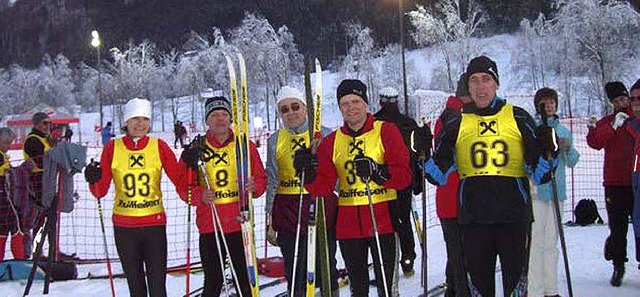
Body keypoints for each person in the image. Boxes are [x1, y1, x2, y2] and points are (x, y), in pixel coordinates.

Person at [424, 56, 557, 296]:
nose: (480, 86)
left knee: (516, 289)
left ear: (496, 84)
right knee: (480, 289)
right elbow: (436, 175)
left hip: (513, 218)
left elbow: (542, 174)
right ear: (468, 86)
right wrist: (422, 153)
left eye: (486, 79)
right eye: (474, 80)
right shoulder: (457, 122)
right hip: (473, 221)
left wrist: (550, 150)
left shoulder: (517, 117)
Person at [294, 79, 412, 296]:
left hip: (383, 220)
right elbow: (323, 187)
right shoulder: (331, 141)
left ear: (366, 103)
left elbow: (405, 176)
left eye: (356, 101)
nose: (351, 107)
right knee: (358, 287)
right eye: (345, 103)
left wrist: (378, 171)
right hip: (348, 225)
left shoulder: (386, 131)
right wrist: (307, 173)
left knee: (387, 287)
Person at [84, 97, 184, 297]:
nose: (140, 124)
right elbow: (100, 191)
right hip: (124, 227)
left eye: (145, 119)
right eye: (135, 119)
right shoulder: (113, 147)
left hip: (154, 224)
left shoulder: (159, 146)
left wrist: (188, 162)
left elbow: (180, 178)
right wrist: (93, 177)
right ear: (126, 123)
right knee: (135, 285)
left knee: (157, 285)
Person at [179, 95, 267, 297]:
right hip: (211, 226)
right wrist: (200, 195)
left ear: (230, 118)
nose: (220, 119)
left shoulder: (245, 146)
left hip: (240, 223)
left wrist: (255, 186)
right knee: (213, 280)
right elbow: (183, 188)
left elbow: (261, 180)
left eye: (224, 114)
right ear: (207, 120)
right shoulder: (196, 148)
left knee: (245, 279)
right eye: (215, 115)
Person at [265, 86, 339, 296]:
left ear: (305, 108)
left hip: (320, 204)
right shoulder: (274, 140)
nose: (291, 113)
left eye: (295, 107)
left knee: (325, 263)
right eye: (284, 109)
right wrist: (269, 217)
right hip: (288, 209)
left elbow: (337, 179)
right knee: (294, 264)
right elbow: (272, 180)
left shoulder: (324, 134)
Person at [372, 85, 431, 276]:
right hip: (397, 180)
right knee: (401, 221)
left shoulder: (375, 122)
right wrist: (417, 181)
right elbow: (417, 154)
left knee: (389, 223)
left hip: (384, 181)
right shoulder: (405, 122)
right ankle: (405, 259)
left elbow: (417, 153)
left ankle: (397, 261)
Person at [528, 87, 580, 297]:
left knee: (552, 243)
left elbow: (572, 160)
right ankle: (535, 290)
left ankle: (551, 289)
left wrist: (567, 149)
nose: (548, 106)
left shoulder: (562, 130)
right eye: (544, 103)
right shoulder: (533, 128)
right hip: (538, 191)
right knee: (536, 243)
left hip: (557, 192)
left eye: (551, 102)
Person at [586, 81, 635, 287]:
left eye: (623, 99)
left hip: (636, 180)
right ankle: (618, 264)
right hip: (614, 183)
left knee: (639, 227)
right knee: (617, 227)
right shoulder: (609, 121)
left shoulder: (636, 119)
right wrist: (614, 127)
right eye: (615, 101)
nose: (620, 103)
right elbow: (595, 142)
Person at [432, 73, 472, 297]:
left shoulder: (454, 113)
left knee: (457, 255)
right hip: (454, 197)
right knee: (460, 256)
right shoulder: (453, 116)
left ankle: (454, 290)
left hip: (458, 197)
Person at [23, 112, 53, 226]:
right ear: (36, 124)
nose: (48, 126)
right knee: (40, 216)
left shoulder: (45, 139)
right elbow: (42, 163)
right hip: (38, 181)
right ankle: (36, 242)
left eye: (49, 123)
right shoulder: (33, 140)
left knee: (51, 217)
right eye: (45, 123)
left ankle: (52, 243)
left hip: (48, 179)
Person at [0, 127, 25, 261]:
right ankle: (20, 260)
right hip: (4, 197)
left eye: (10, 143)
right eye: (5, 143)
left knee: (2, 230)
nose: (8, 146)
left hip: (4, 196)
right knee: (16, 226)